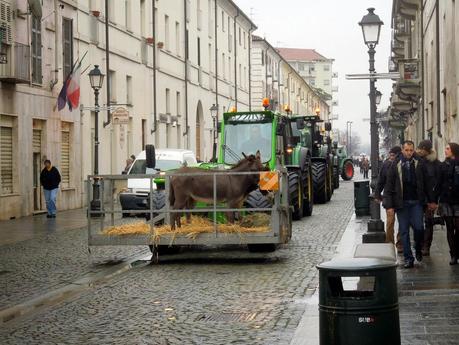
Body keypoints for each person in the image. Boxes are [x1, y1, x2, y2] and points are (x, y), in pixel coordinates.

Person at [385, 140, 426, 268]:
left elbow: (426, 182)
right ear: (402, 150)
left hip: (416, 202)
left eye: (411, 150)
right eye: (406, 150)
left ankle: (418, 247)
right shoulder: (395, 164)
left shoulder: (419, 162)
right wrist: (389, 205)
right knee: (404, 231)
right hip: (401, 203)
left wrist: (431, 200)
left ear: (413, 150)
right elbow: (389, 185)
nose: (409, 153)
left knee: (419, 228)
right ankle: (409, 258)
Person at [416, 140, 441, 256]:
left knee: (428, 223)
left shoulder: (436, 164)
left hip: (429, 199)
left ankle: (426, 246)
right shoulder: (416, 161)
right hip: (416, 198)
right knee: (417, 223)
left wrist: (433, 201)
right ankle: (419, 244)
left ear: (426, 149)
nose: (419, 150)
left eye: (421, 148)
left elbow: (437, 183)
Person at [376, 146, 402, 250]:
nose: (391, 157)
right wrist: (377, 194)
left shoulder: (402, 164)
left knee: (402, 222)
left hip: (400, 197)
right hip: (388, 196)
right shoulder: (385, 164)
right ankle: (389, 244)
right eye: (390, 155)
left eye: (393, 155)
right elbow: (381, 180)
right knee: (390, 222)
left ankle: (400, 243)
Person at [439, 143, 459, 265]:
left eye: (448, 148)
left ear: (454, 150)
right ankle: (453, 254)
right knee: (450, 228)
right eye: (445, 148)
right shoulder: (443, 165)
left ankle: (457, 250)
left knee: (458, 227)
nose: (445, 150)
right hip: (446, 200)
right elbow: (439, 182)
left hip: (458, 200)